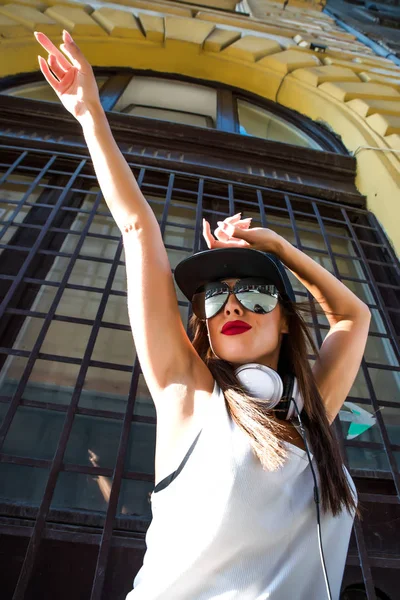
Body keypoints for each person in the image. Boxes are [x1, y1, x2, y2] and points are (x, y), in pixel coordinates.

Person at [35, 30, 371, 600]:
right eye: (216, 298)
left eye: (258, 294)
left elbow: (351, 317)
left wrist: (281, 251)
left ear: (286, 319)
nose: (234, 303)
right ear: (206, 324)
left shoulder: (311, 411)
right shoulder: (188, 393)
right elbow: (138, 227)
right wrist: (91, 112)